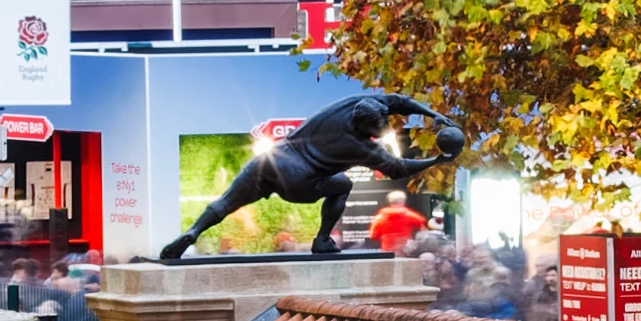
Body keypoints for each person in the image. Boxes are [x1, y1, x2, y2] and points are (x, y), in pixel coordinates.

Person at [157, 88, 458, 260]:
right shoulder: (358, 146)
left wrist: (432, 114)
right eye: (378, 129)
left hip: (274, 157)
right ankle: (322, 239)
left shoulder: (353, 104)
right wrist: (437, 159)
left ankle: (194, 231)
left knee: (226, 202)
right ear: (366, 127)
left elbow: (397, 100)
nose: (382, 131)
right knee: (343, 184)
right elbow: (398, 168)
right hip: (299, 180)